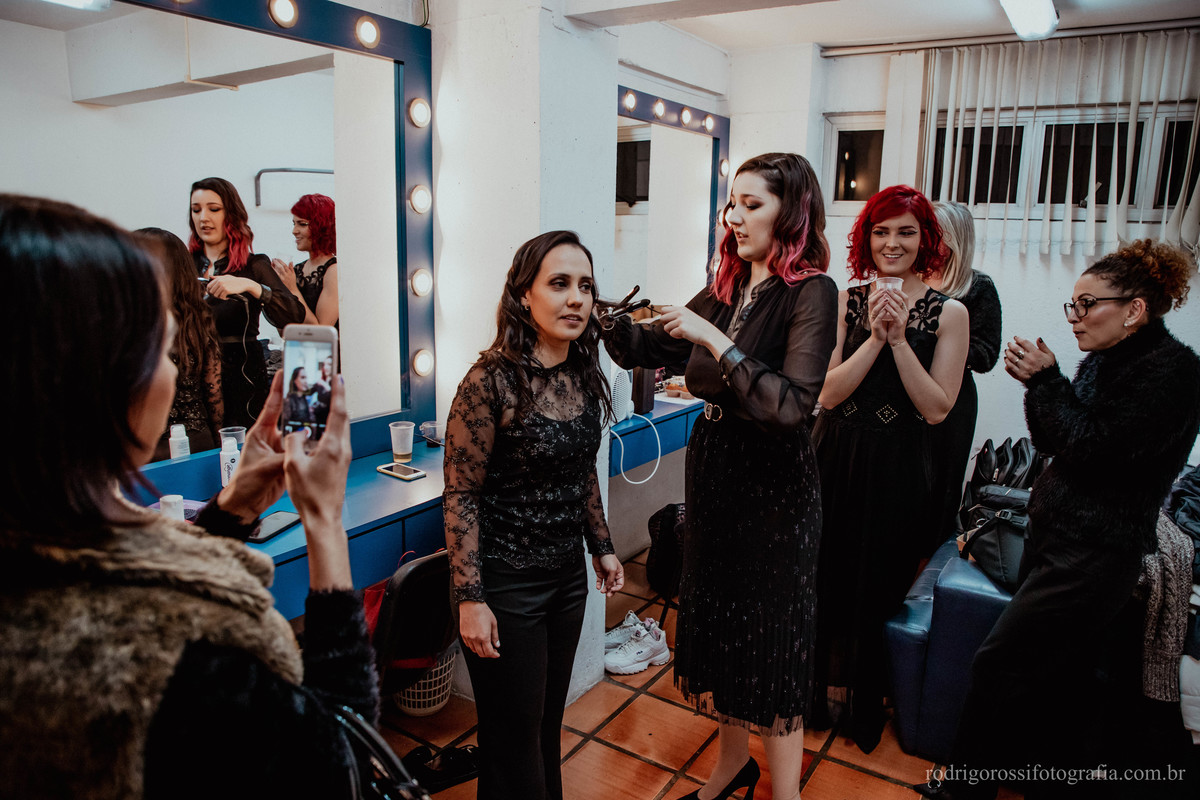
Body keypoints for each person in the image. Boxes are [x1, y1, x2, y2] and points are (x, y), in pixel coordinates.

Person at [0, 193, 373, 799]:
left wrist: (234, 509)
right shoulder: (172, 647)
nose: (174, 367)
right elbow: (339, 762)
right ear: (99, 380)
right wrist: (325, 520)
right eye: (160, 346)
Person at [917, 240, 1200, 800]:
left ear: (1135, 309)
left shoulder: (1174, 374)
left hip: (1095, 555)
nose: (1074, 317)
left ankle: (964, 791)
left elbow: (1093, 448)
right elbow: (1053, 440)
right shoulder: (1108, 358)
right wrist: (1040, 386)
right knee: (1051, 677)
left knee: (999, 663)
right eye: (1073, 304)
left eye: (1087, 304)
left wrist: (1048, 382)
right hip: (1055, 538)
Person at [601, 152, 838, 800]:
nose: (733, 215)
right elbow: (653, 347)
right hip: (717, 481)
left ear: (792, 212)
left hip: (775, 492)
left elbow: (791, 406)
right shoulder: (727, 287)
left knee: (770, 643)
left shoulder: (812, 292)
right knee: (725, 629)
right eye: (732, 202)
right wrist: (602, 314)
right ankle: (732, 766)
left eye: (752, 204)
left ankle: (786, 795)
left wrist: (715, 337)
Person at [443, 230, 625, 800]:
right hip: (505, 583)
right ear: (524, 294)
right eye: (559, 283)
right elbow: (461, 495)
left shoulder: (582, 372)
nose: (576, 298)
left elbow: (581, 469)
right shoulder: (488, 381)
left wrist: (601, 544)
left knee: (544, 726)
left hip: (567, 579)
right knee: (513, 738)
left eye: (585, 286)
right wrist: (470, 598)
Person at [811, 184, 969, 753]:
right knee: (824, 575)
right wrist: (874, 339)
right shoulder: (844, 300)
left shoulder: (950, 313)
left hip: (899, 463)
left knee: (880, 583)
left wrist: (900, 340)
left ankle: (865, 707)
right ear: (867, 238)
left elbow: (936, 408)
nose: (892, 243)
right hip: (834, 454)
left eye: (906, 231)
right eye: (881, 231)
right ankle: (813, 697)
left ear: (926, 239)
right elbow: (826, 393)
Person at [189, 177, 305, 428]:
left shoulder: (254, 265)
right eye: (196, 210)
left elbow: (294, 314)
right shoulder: (186, 265)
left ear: (231, 214)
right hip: (196, 379)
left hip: (243, 378)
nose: (203, 218)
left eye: (213, 209)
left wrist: (253, 287)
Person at [924, 201, 1002, 551]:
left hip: (952, 398)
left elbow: (986, 354)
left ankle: (929, 560)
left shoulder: (978, 288)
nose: (925, 241)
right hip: (905, 393)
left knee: (941, 481)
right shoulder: (910, 278)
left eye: (934, 234)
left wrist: (943, 347)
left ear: (954, 240)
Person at [133, 227, 225, 459]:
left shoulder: (127, 322)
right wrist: (218, 443)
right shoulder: (198, 319)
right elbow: (213, 390)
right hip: (197, 439)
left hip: (145, 445)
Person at [271, 193, 339, 328]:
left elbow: (321, 331)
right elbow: (284, 329)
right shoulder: (297, 269)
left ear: (322, 227)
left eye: (302, 224)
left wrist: (292, 289)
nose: (294, 231)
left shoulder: (334, 271)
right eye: (294, 224)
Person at [284, 366, 316, 431]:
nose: (305, 381)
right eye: (302, 377)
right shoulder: (289, 400)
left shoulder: (304, 398)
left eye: (306, 378)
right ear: (295, 380)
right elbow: (286, 424)